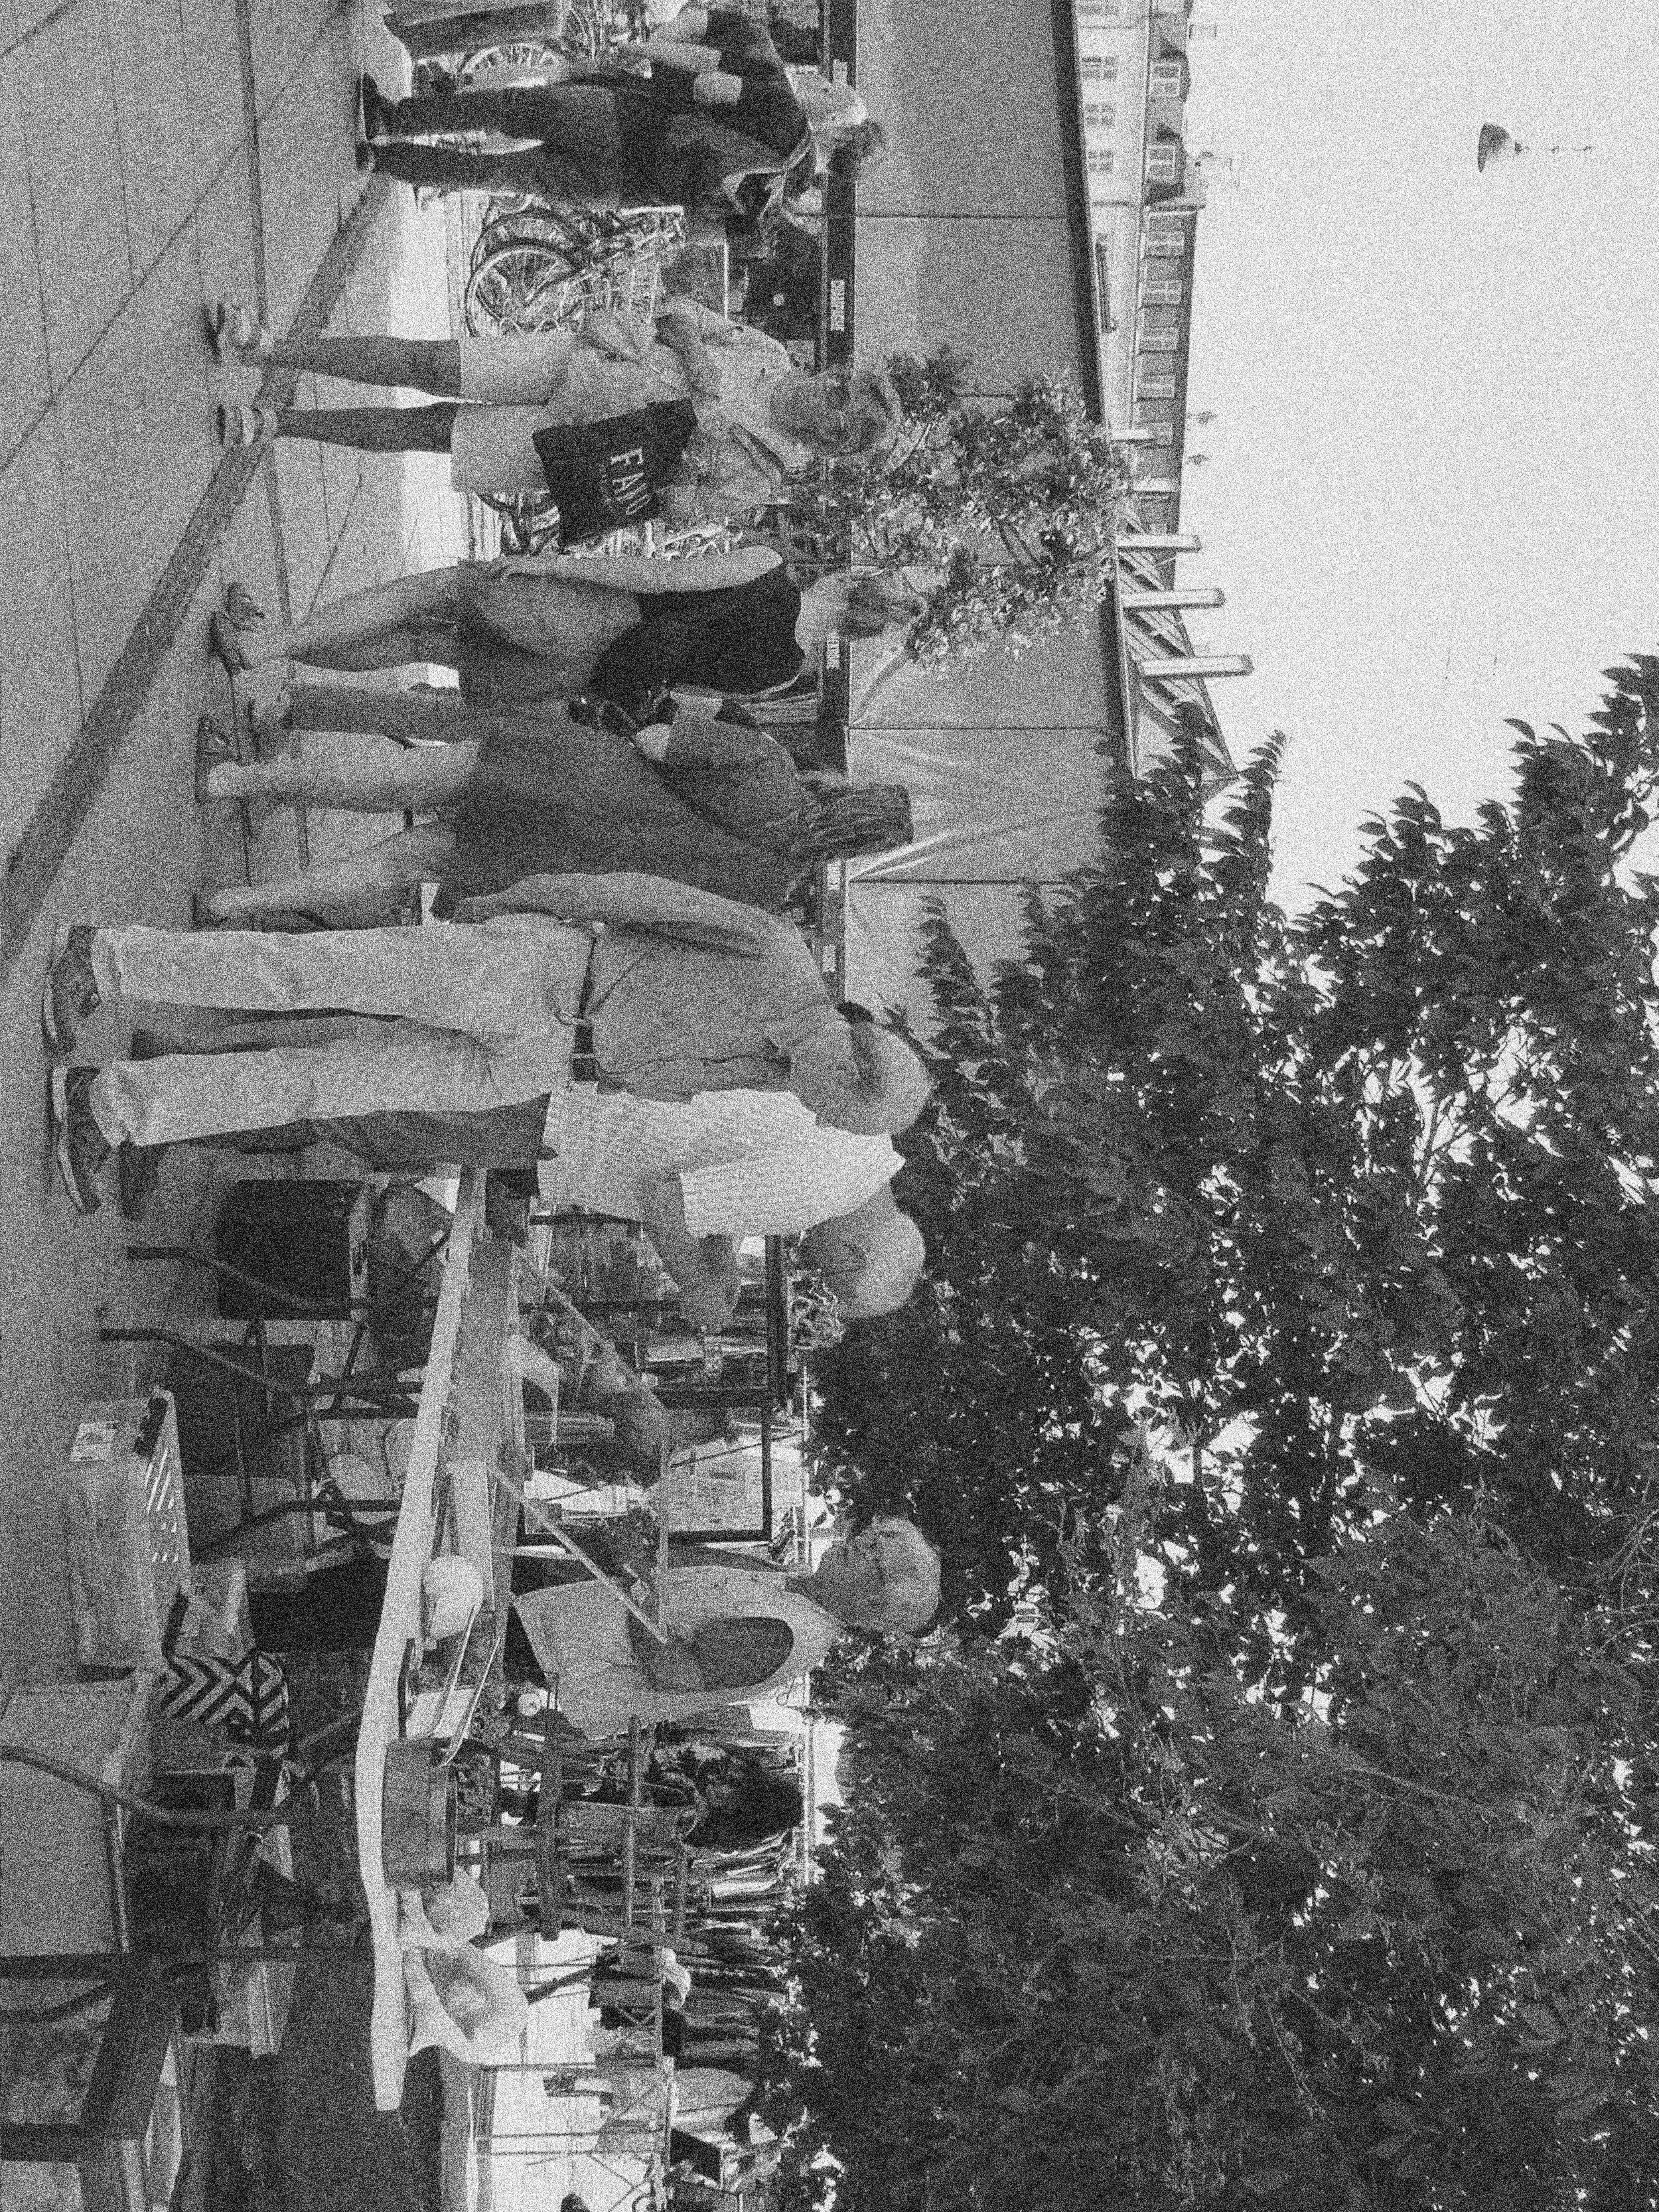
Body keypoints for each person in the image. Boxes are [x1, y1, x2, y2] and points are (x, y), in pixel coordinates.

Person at [41, 878, 933, 1211]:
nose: (820, 1118)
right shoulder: (777, 952)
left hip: (548, 1068)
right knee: (307, 974)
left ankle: (109, 1105)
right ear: (850, 1064)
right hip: (541, 974)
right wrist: (519, 900)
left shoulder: (778, 1076)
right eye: (839, 1112)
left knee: (325, 1088)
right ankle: (105, 958)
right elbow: (637, 895)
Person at [104, 1051, 928, 1326]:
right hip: (564, 1120)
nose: (810, 1268)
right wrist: (701, 1287)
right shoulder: (824, 1190)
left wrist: (713, 1256)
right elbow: (673, 1200)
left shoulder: (853, 1152)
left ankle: (170, 1074)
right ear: (857, 1254)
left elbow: (709, 1162)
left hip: (577, 1108)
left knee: (369, 1087)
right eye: (829, 1276)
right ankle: (160, 1114)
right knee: (362, 1117)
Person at [191, 686, 914, 930]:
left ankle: (235, 780)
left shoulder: (771, 768)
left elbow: (658, 741)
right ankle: (236, 903)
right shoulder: (767, 891)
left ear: (849, 791)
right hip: (560, 860)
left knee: (401, 781)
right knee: (400, 865)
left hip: (570, 778)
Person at [212, 297, 901, 533]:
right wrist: (697, 360)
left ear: (835, 443)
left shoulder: (766, 475)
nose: (831, 395)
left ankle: (275, 425)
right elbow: (679, 313)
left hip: (578, 443)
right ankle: (267, 346)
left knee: (430, 431)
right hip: (584, 361)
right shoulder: (768, 353)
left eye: (842, 414)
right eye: (844, 384)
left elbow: (676, 512)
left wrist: (696, 446)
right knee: (429, 363)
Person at [206, 550, 922, 715]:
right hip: (577, 673)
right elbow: (683, 691)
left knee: (431, 593)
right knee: (430, 646)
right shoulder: (782, 675)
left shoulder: (767, 571)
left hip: (595, 613)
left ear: (848, 582)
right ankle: (271, 645)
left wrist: (552, 563)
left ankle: (265, 645)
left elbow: (656, 578)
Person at [362, 7, 880, 228]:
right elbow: (702, 224)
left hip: (628, 123)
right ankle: (384, 161)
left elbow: (709, 83)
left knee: (514, 110)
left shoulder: (786, 116)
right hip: (627, 188)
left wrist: (651, 57)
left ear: (840, 132)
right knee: (502, 174)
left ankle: (393, 120)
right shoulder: (781, 203)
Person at [511, 1515, 940, 1735]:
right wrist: (633, 1545)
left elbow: (671, 1672)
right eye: (873, 1537)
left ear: (874, 1606)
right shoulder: (790, 1582)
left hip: (548, 1653)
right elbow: (673, 1568)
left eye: (876, 1561)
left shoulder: (793, 1635)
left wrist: (639, 1576)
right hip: (552, 1607)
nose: (860, 1544)